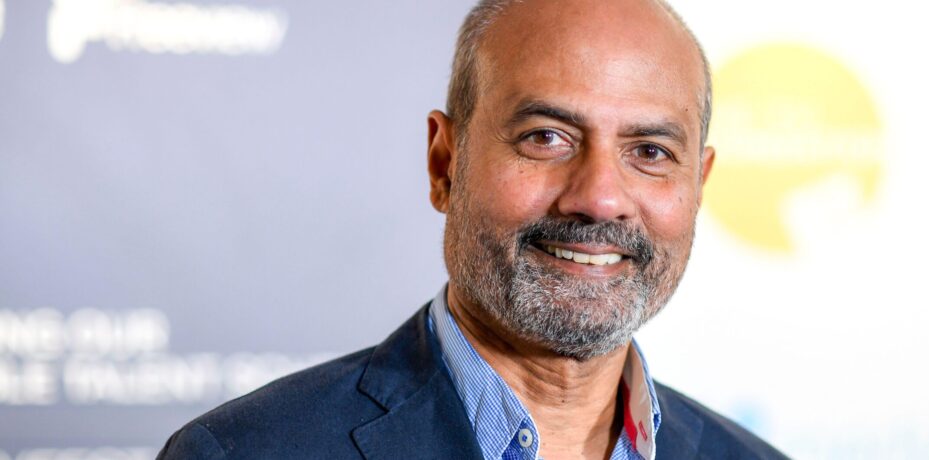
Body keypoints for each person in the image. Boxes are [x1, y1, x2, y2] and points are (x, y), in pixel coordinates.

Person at [158, 0, 787, 458]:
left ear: (698, 185)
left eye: (650, 151)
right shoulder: (243, 453)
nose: (599, 199)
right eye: (546, 138)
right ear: (444, 164)